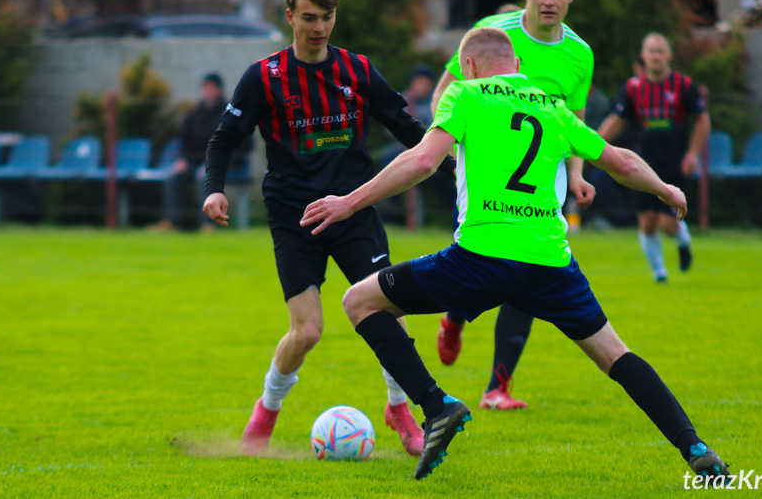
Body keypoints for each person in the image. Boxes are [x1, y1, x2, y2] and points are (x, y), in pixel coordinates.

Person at [299, 27, 730, 482]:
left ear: (467, 66)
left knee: (359, 301)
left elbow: (424, 161)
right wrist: (664, 188)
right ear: (517, 67)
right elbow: (620, 161)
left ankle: (436, 405)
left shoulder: (465, 94)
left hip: (481, 258)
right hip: (551, 264)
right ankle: (696, 448)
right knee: (615, 355)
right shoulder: (552, 106)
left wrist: (348, 202)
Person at [201, 0, 455, 456]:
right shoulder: (264, 77)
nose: (319, 28)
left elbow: (408, 130)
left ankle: (400, 408)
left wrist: (453, 172)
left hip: (353, 209)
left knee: (391, 314)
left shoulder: (356, 70)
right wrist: (215, 188)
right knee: (307, 331)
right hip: (294, 217)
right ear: (290, 15)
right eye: (311, 17)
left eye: (328, 18)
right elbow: (224, 139)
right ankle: (266, 411)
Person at [430, 0, 595, 411]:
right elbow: (445, 90)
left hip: (547, 177)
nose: (548, 2)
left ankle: (497, 387)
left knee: (528, 269)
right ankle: (455, 316)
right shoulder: (493, 32)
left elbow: (576, 122)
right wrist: (445, 147)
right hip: (486, 169)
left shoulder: (579, 54)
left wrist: (577, 174)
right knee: (485, 262)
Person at [598, 33, 711, 282]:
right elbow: (618, 119)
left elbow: (703, 120)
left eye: (661, 51)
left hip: (675, 160)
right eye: (652, 51)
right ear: (643, 55)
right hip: (646, 161)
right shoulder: (634, 87)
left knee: (667, 224)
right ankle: (659, 274)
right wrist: (592, 144)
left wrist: (692, 154)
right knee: (647, 221)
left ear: (669, 55)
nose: (656, 56)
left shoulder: (683, 86)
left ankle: (683, 241)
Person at [151, 73, 252, 231]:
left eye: (212, 88)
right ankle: (172, 222)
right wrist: (182, 159)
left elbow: (242, 144)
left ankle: (208, 224)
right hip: (195, 162)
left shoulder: (231, 113)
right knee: (171, 176)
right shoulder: (194, 114)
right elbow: (184, 142)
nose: (208, 92)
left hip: (225, 164)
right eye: (206, 88)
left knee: (203, 176)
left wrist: (217, 163)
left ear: (219, 91)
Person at [378, 64, 455, 223]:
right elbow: (390, 129)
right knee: (387, 158)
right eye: (420, 80)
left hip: (429, 150)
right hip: (402, 149)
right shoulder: (402, 100)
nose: (423, 84)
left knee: (441, 171)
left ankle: (453, 206)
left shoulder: (436, 103)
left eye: (426, 81)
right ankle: (389, 204)